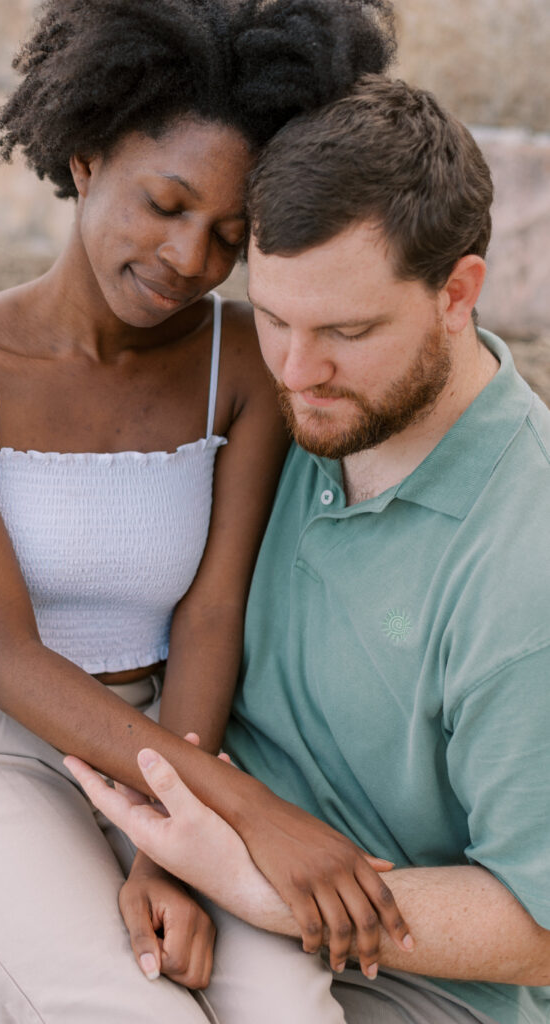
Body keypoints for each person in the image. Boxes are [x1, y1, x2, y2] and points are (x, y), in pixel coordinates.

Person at [0, 3, 406, 1023]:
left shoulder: (241, 361)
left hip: (172, 733)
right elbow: (7, 657)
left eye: (230, 236)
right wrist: (243, 815)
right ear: (84, 158)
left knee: (289, 1010)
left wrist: (177, 834)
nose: (190, 260)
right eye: (164, 204)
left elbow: (209, 611)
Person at [68, 75, 550, 1024]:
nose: (297, 371)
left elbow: (539, 921)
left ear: (458, 294)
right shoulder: (270, 396)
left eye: (349, 331)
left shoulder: (525, 563)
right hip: (177, 865)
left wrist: (261, 891)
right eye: (277, 318)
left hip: (400, 981)